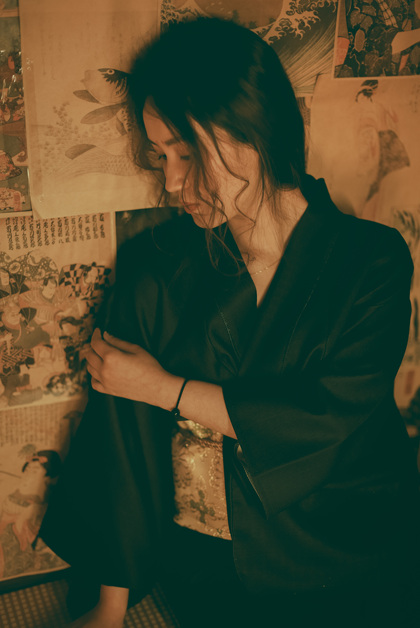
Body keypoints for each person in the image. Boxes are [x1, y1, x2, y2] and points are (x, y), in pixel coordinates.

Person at [39, 17, 420, 628]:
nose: (171, 183)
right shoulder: (157, 272)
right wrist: (111, 606)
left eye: (186, 153)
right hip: (215, 567)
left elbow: (325, 414)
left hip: (351, 548)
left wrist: (166, 389)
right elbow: (123, 434)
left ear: (254, 132)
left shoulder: (370, 261)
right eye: (161, 156)